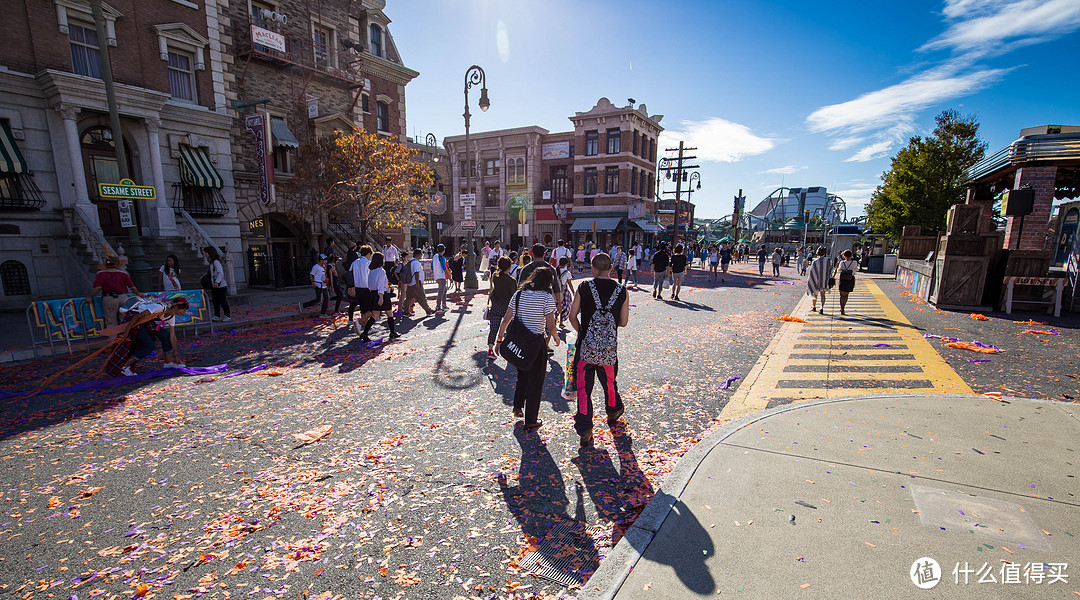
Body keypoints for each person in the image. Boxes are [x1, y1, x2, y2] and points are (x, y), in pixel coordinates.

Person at [568, 252, 628, 447]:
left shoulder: (584, 287)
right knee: (609, 384)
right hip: (609, 351)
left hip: (585, 350)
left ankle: (585, 429)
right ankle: (613, 411)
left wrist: (583, 332)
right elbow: (623, 322)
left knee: (584, 390)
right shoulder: (621, 290)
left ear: (592, 269)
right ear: (611, 268)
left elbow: (572, 316)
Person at [494, 266, 560, 431]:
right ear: (548, 282)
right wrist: (557, 338)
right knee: (536, 382)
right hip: (536, 343)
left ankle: (517, 407)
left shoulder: (519, 294)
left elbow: (506, 319)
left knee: (522, 374)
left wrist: (499, 339)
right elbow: (551, 326)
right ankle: (531, 419)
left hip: (519, 341)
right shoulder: (546, 298)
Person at [114, 297, 191, 376]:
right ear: (176, 307)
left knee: (165, 335)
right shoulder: (159, 307)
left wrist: (176, 354)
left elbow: (172, 336)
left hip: (146, 321)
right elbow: (136, 317)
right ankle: (125, 366)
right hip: (135, 319)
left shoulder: (171, 316)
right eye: (184, 310)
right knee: (149, 345)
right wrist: (126, 332)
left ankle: (168, 362)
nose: (184, 312)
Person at [87, 255, 142, 330]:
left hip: (109, 298)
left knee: (111, 322)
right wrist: (138, 293)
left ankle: (113, 340)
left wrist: (90, 296)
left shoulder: (101, 274)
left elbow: (98, 288)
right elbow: (132, 287)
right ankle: (127, 338)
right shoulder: (123, 274)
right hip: (123, 297)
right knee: (125, 320)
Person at [357, 252, 398, 341]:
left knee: (375, 315)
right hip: (381, 294)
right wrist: (381, 297)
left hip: (373, 294)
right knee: (389, 313)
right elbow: (380, 286)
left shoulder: (371, 271)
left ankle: (365, 333)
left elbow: (370, 285)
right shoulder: (381, 271)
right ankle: (392, 332)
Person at [486, 256, 516, 359]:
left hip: (495, 305)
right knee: (509, 330)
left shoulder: (495, 275)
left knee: (493, 329)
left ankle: (490, 350)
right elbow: (514, 295)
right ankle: (508, 350)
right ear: (509, 267)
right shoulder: (512, 281)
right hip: (507, 308)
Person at [403, 249, 434, 317]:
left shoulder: (410, 261)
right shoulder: (416, 262)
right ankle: (428, 310)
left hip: (410, 283)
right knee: (421, 297)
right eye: (421, 254)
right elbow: (417, 273)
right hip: (415, 282)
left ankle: (406, 311)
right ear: (419, 255)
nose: (421, 256)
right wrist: (417, 283)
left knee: (409, 298)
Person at [203, 246, 231, 321]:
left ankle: (227, 315)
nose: (205, 254)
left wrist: (217, 282)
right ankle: (217, 315)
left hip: (220, 285)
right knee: (215, 301)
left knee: (222, 300)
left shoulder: (216, 262)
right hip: (214, 285)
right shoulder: (211, 263)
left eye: (206, 253)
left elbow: (220, 273)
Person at [347, 245, 373, 324]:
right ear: (368, 253)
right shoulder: (368, 263)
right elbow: (370, 275)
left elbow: (350, 273)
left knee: (362, 306)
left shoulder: (355, 262)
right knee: (369, 308)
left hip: (357, 287)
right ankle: (362, 322)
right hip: (366, 288)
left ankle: (363, 323)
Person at [806, 246, 831, 314]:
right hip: (824, 280)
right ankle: (822, 307)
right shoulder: (828, 260)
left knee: (815, 293)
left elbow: (812, 272)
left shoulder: (815, 261)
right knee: (823, 294)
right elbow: (830, 270)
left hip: (816, 279)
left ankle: (814, 306)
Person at [835, 249, 858, 315]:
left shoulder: (842, 262)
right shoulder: (854, 262)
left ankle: (841, 308)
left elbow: (839, 270)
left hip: (843, 279)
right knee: (846, 294)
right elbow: (855, 270)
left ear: (844, 256)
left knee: (841, 295)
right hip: (850, 279)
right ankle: (844, 307)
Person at [556, 256, 575, 327]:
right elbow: (570, 284)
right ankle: (561, 321)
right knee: (566, 305)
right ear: (566, 264)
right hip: (564, 291)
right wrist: (573, 292)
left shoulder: (555, 270)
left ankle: (556, 315)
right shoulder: (567, 273)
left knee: (557, 305)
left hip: (556, 291)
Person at [432, 244, 449, 314]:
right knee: (441, 292)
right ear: (444, 250)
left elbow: (432, 267)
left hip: (436, 276)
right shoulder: (441, 258)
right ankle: (438, 307)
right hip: (442, 277)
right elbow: (444, 268)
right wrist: (450, 277)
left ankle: (444, 305)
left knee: (444, 290)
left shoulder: (434, 257)